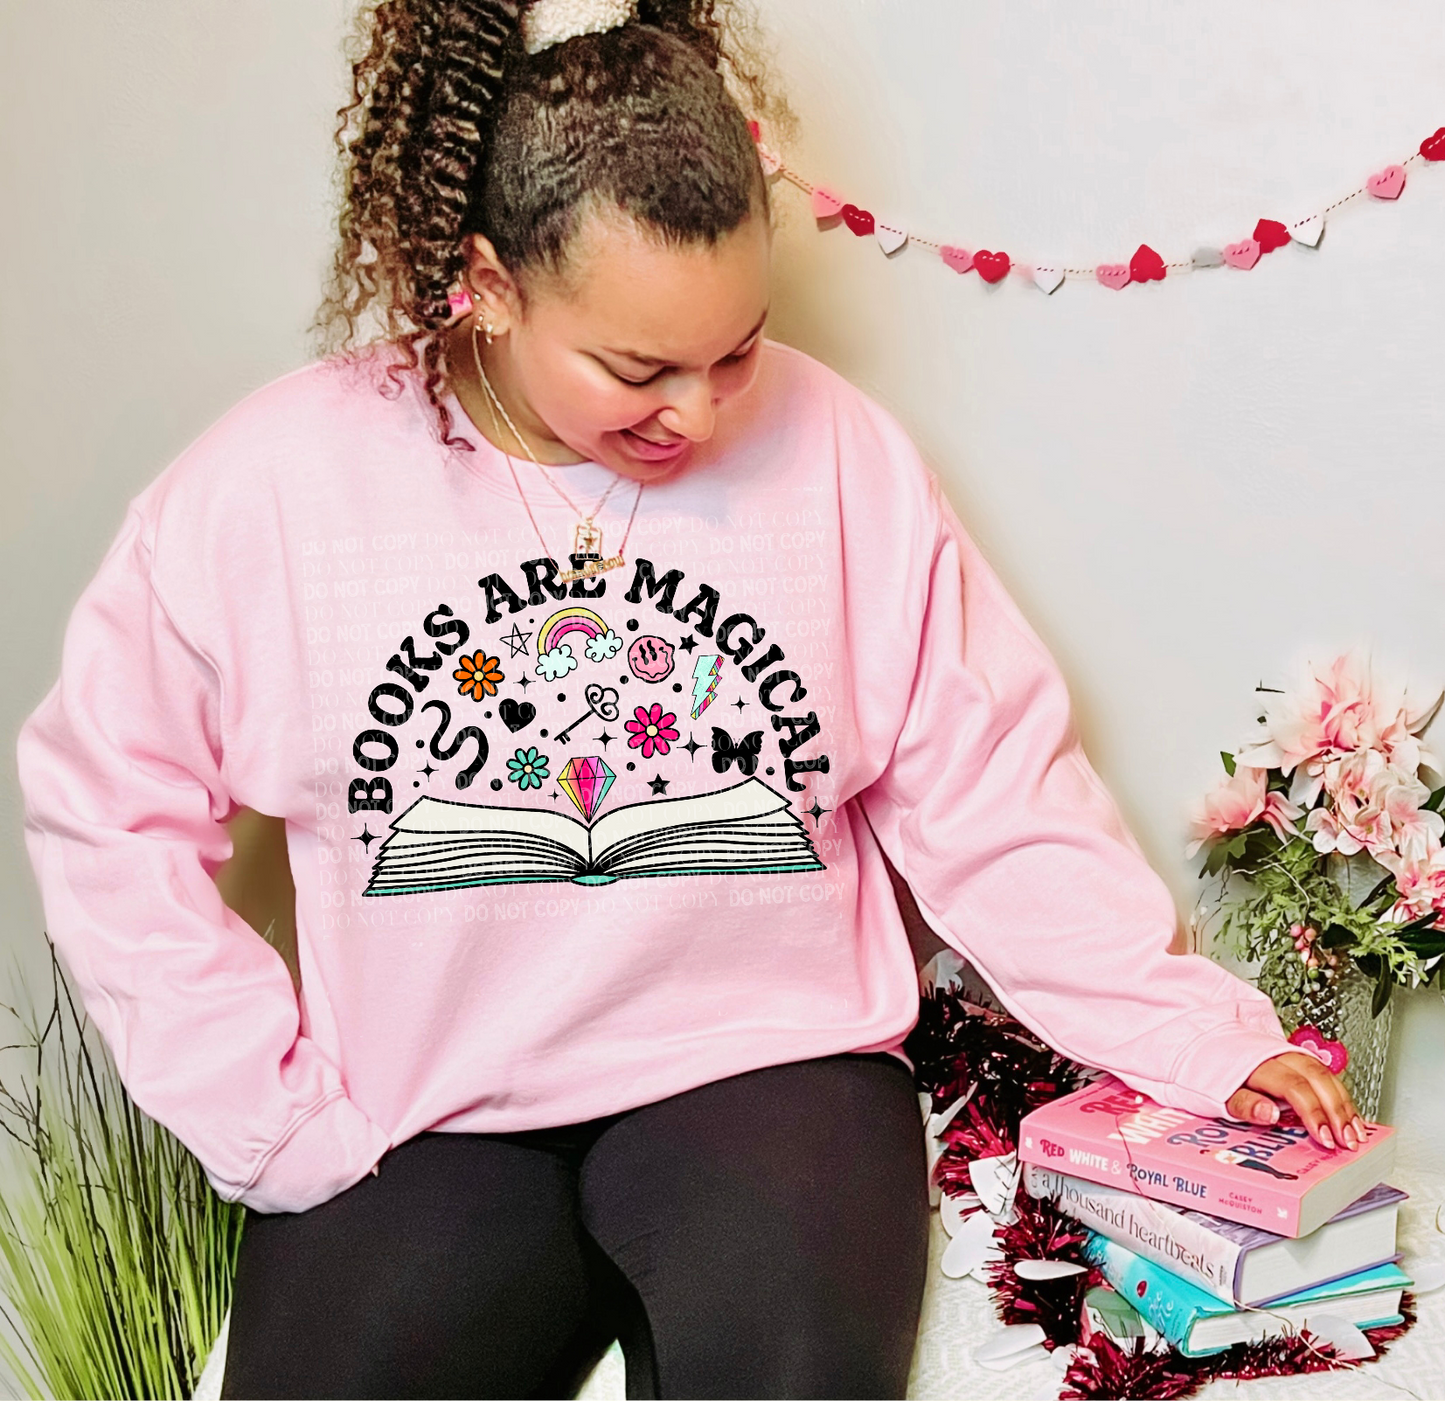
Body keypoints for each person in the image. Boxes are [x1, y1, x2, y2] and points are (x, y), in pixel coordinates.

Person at [15, 0, 1367, 1396]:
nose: (703, 415)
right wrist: (263, 1113)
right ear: (489, 284)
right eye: (638, 369)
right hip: (431, 1109)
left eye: (735, 351)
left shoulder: (841, 455)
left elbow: (994, 793)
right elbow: (103, 806)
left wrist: (1197, 1037)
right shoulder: (275, 489)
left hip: (769, 1075)